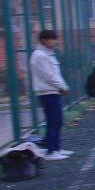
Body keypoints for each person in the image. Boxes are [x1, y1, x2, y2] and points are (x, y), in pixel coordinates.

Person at [29, 29, 71, 160]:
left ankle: (57, 148)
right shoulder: (39, 55)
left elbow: (56, 74)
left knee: (57, 121)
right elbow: (49, 76)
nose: (54, 42)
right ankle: (51, 151)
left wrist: (62, 87)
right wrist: (63, 87)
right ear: (44, 40)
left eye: (54, 39)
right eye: (51, 39)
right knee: (53, 122)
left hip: (53, 92)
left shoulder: (48, 54)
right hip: (47, 93)